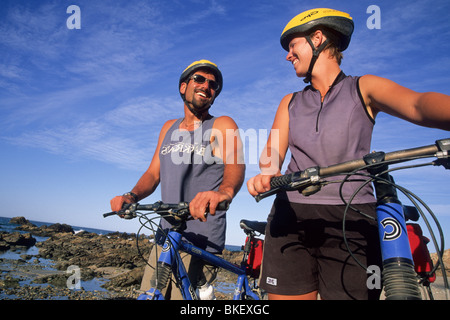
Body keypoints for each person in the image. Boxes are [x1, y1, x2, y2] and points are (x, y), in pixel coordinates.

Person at [247, 8, 450, 300]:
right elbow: (271, 155)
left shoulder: (362, 87)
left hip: (352, 219)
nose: (288, 56)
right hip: (290, 216)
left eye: (293, 46)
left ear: (317, 38)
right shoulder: (289, 102)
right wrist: (265, 175)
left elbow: (417, 104)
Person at [110, 59, 245, 299]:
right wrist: (131, 195)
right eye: (200, 79)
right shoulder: (168, 128)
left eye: (213, 84)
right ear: (183, 86)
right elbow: (153, 174)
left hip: (201, 240)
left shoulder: (222, 124)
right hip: (165, 236)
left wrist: (224, 193)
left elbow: (236, 167)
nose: (207, 86)